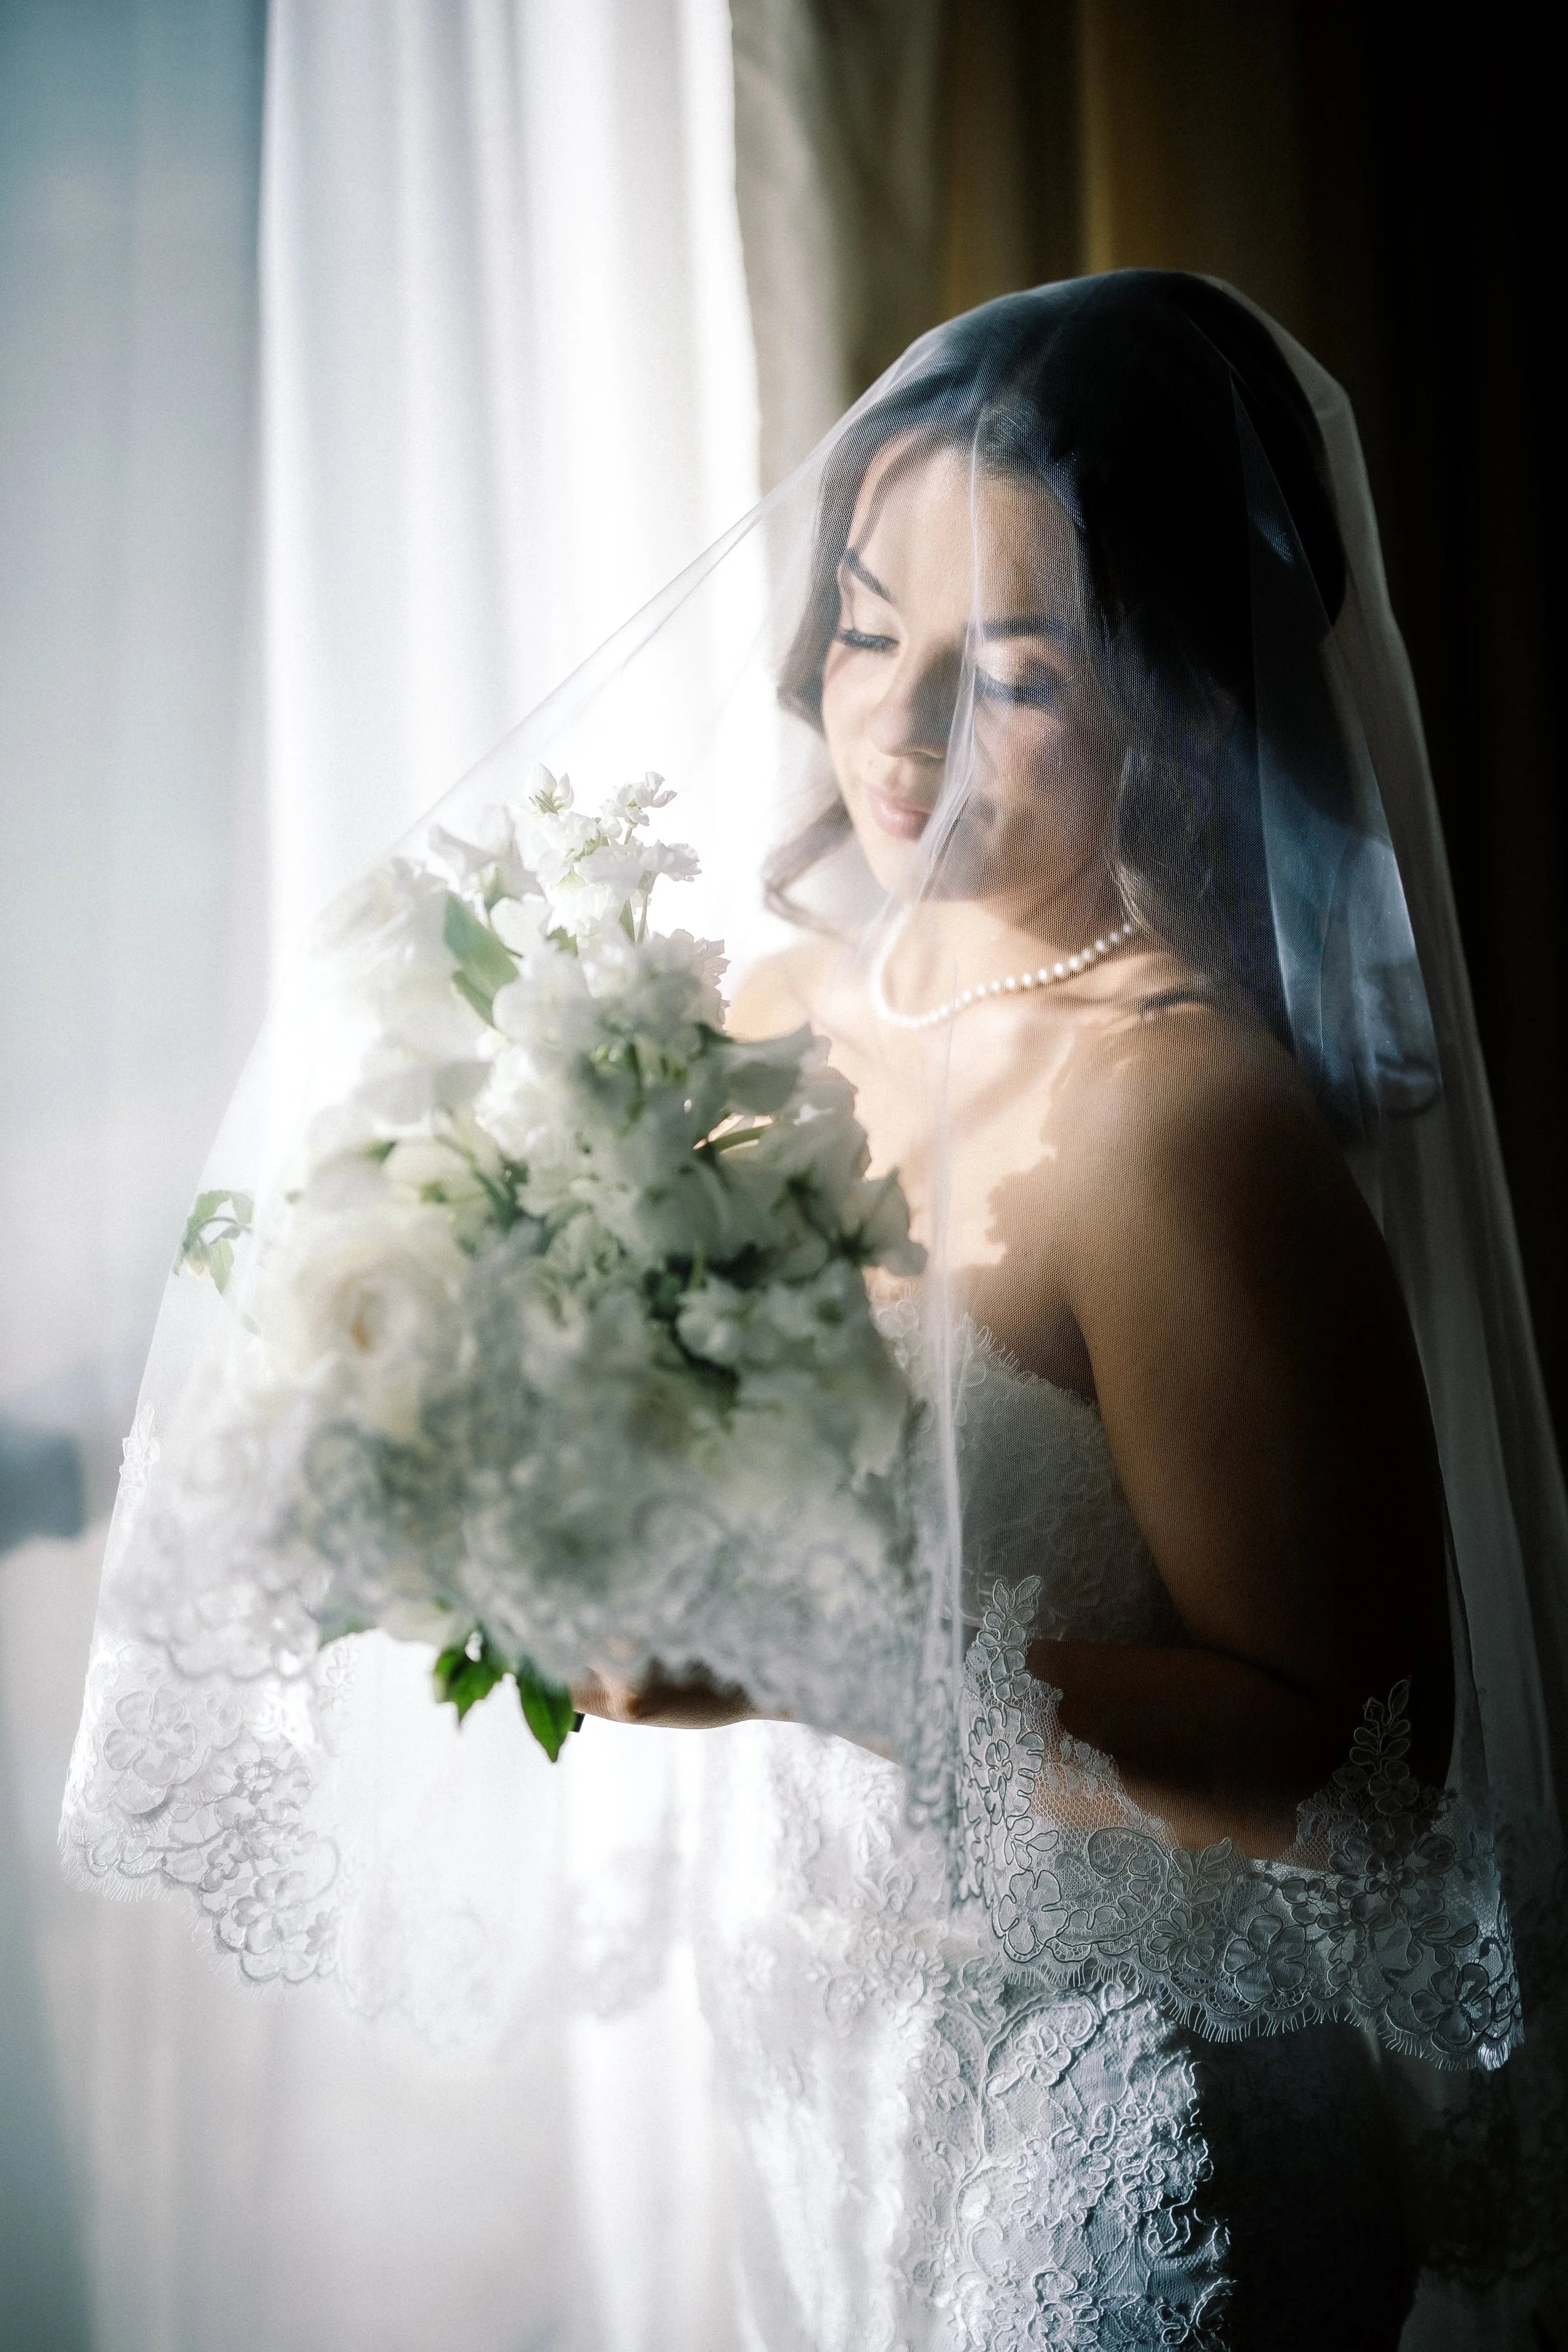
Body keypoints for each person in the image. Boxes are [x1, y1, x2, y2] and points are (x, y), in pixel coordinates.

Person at [65, 274, 1565, 2347]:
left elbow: (1364, 1770)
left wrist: (831, 1654)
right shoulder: (779, 1020)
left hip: (1128, 2136)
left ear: (1188, 685)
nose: (899, 731)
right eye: (868, 632)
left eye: (1016, 671)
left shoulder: (1174, 1123)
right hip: (833, 2067)